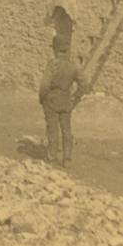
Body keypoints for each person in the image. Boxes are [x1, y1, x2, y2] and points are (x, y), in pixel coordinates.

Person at [38, 34, 88, 166]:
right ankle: (67, 159)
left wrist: (42, 98)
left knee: (52, 129)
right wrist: (75, 98)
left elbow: (44, 85)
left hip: (52, 100)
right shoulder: (73, 66)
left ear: (54, 48)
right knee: (66, 129)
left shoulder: (52, 65)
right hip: (66, 100)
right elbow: (84, 84)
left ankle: (52, 157)